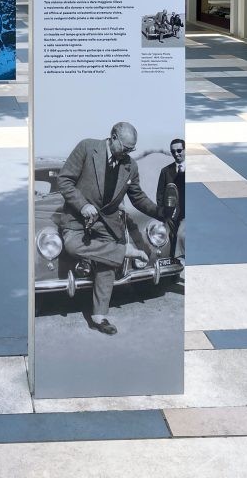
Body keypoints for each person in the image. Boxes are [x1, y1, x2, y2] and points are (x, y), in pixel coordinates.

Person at [57, 122, 163, 336]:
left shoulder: (130, 166)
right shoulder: (87, 148)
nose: (128, 153)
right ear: (113, 137)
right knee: (71, 246)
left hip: (107, 223)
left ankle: (99, 316)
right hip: (76, 218)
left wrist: (161, 212)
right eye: (125, 147)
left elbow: (138, 197)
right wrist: (82, 205)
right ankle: (124, 251)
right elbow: (64, 180)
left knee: (107, 260)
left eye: (132, 149)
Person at [157, 138, 185, 264]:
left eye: (179, 150)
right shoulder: (165, 171)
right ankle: (171, 265)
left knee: (181, 235)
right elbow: (160, 195)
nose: (176, 154)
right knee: (165, 239)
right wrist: (164, 214)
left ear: (185, 150)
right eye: (173, 152)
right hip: (171, 216)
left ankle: (182, 263)